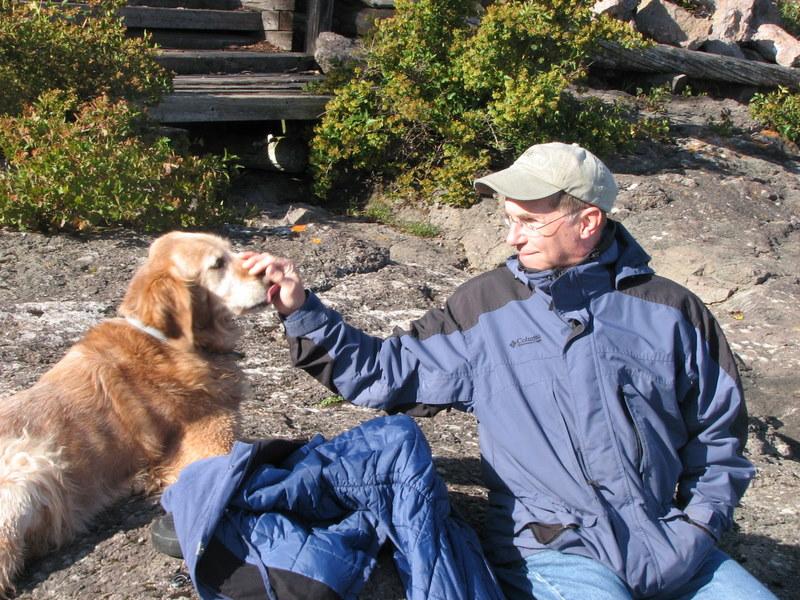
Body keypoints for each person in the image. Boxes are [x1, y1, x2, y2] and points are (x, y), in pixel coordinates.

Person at [242, 142, 777, 600]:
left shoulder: (673, 311)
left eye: (528, 221)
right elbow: (381, 372)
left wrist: (697, 528)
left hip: (671, 543)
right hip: (553, 546)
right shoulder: (486, 305)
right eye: (507, 220)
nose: (512, 238)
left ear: (588, 222)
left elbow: (719, 437)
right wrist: (300, 308)